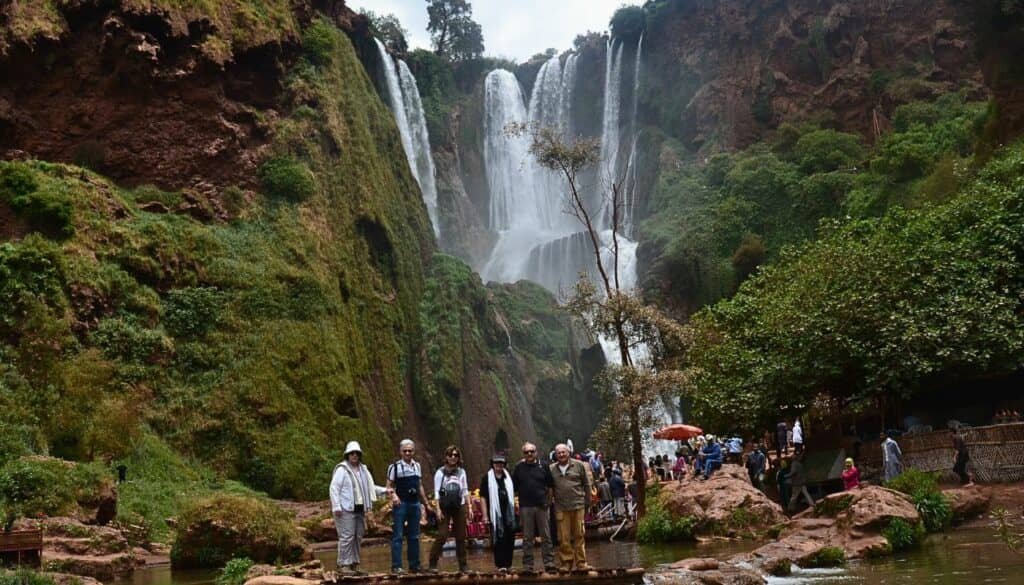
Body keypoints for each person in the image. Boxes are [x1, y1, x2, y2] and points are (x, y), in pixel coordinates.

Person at [330, 441, 389, 576]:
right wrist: (336, 506)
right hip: (345, 509)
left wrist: (385, 491)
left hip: (360, 509)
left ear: (360, 455)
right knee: (347, 536)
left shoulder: (363, 470)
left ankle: (354, 564)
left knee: (357, 536)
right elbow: (334, 488)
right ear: (347, 455)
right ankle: (343, 564)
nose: (354, 455)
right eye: (352, 453)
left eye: (356, 453)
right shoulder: (342, 470)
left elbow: (370, 488)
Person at [512, 442, 556, 574]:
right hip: (526, 507)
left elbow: (550, 486)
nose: (529, 454)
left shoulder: (544, 466)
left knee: (546, 536)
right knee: (527, 538)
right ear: (523, 454)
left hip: (542, 506)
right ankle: (528, 566)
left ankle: (549, 563)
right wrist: (516, 504)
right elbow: (514, 488)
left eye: (532, 451)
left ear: (536, 452)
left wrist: (548, 502)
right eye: (526, 452)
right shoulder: (518, 467)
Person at [386, 439, 428, 574]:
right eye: (405, 451)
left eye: (410, 451)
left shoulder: (417, 466)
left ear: (414, 451)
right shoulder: (395, 467)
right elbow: (389, 485)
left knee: (414, 536)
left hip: (415, 503)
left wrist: (425, 503)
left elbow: (419, 485)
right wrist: (394, 497)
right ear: (400, 452)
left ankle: (414, 565)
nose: (408, 453)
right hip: (401, 504)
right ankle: (396, 566)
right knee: (398, 535)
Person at [550, 443, 591, 571]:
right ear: (555, 455)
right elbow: (549, 488)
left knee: (579, 535)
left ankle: (581, 563)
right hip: (561, 507)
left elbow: (587, 484)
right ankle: (566, 563)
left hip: (578, 505)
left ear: (569, 453)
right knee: (563, 537)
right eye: (559, 453)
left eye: (564, 452)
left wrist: (588, 502)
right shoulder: (551, 469)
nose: (561, 454)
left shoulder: (579, 465)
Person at [428, 445, 469, 573]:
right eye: (450, 455)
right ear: (446, 457)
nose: (453, 457)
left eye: (455, 455)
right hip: (444, 507)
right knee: (442, 534)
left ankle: (463, 565)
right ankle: (433, 562)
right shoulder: (440, 472)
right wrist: (438, 509)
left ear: (458, 458)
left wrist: (470, 507)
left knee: (461, 536)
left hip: (459, 505)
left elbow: (465, 490)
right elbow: (437, 491)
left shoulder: (462, 472)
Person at [480, 453, 516, 572]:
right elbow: (483, 497)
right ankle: (501, 565)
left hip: (508, 513)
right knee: (499, 538)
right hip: (495, 514)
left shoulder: (508, 477)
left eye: (501, 463)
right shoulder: (487, 478)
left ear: (504, 465)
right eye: (496, 463)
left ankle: (508, 564)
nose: (499, 465)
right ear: (492, 464)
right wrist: (485, 515)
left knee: (510, 537)